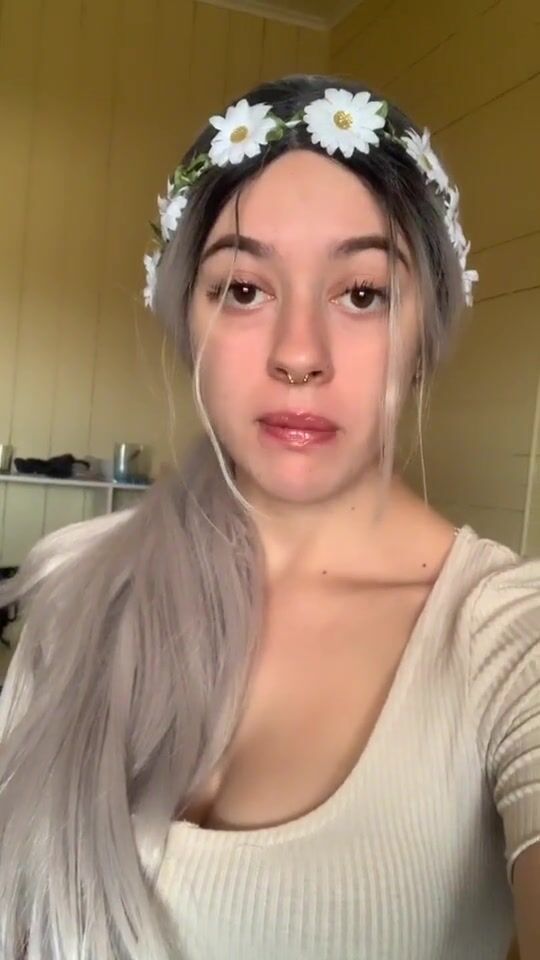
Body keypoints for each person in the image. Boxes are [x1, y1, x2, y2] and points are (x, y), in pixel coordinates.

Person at [0, 73, 538, 960]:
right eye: (244, 290)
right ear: (188, 318)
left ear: (424, 334)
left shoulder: (509, 640)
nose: (299, 355)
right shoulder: (75, 582)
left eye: (362, 294)